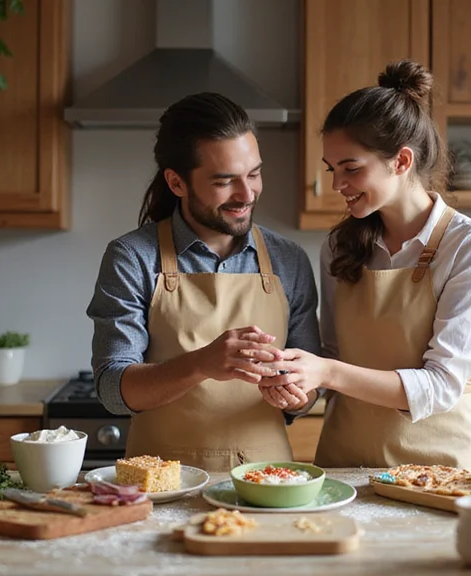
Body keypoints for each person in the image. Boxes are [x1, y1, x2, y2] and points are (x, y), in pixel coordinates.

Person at [256, 60, 471, 469]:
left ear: (402, 161)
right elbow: (333, 353)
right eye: (332, 170)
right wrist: (297, 386)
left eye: (351, 168)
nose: (337, 184)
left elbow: (441, 385)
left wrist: (326, 372)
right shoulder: (339, 246)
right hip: (349, 463)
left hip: (447, 469)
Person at [86, 92, 322, 472]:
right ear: (177, 182)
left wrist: (296, 396)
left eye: (254, 174)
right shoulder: (133, 257)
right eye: (225, 181)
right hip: (161, 483)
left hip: (267, 481)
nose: (247, 194)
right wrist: (200, 364)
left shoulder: (288, 259)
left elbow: (310, 388)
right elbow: (113, 389)